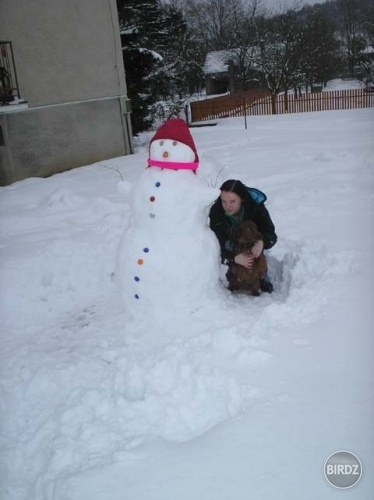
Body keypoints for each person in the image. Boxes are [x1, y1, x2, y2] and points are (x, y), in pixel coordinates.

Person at [209, 179, 277, 293]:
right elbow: (217, 245)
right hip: (232, 243)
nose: (227, 206)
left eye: (232, 201)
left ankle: (261, 275)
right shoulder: (217, 212)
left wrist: (262, 242)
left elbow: (271, 234)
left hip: (252, 240)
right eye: (223, 201)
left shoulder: (256, 208)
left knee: (255, 251)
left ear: (242, 199)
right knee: (229, 248)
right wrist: (233, 258)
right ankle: (234, 273)